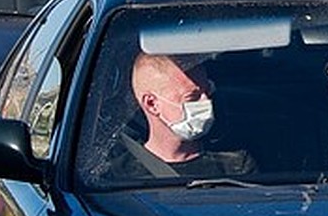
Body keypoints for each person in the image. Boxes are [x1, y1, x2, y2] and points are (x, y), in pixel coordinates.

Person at [108, 52, 255, 178]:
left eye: (208, 92)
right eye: (192, 98)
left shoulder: (236, 167)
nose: (207, 102)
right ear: (152, 104)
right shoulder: (117, 176)